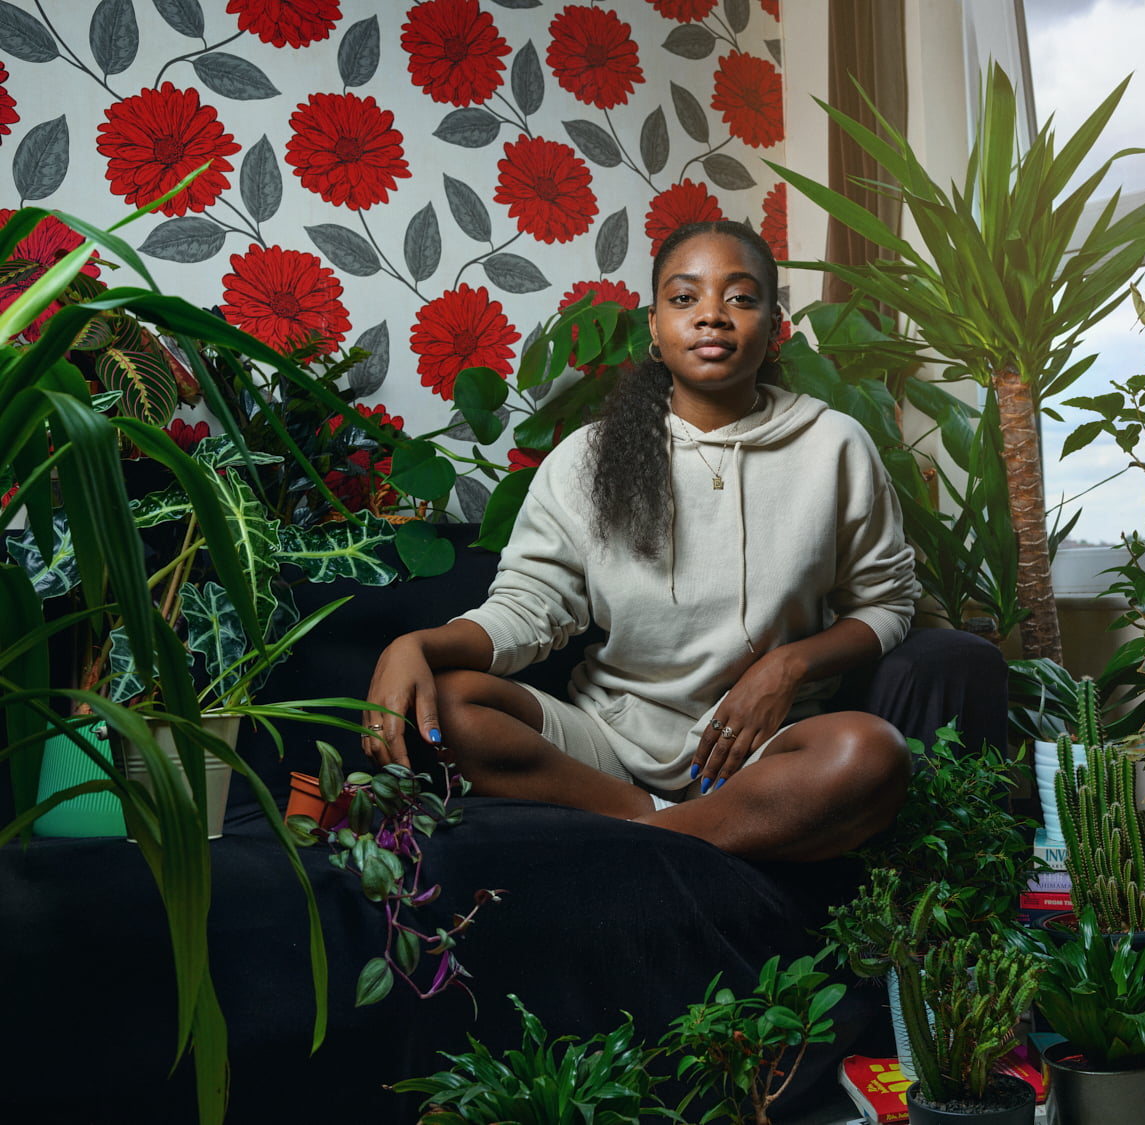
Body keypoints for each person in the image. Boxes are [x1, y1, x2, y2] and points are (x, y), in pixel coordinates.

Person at [362, 220, 920, 862]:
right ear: (655, 328)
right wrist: (417, 645)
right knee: (452, 703)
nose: (712, 315)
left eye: (740, 298)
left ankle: (638, 844)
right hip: (607, 746)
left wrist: (785, 667)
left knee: (870, 754)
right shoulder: (587, 458)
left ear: (774, 328)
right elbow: (527, 607)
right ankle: (661, 825)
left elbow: (888, 603)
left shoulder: (834, 446)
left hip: (761, 748)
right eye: (685, 299)